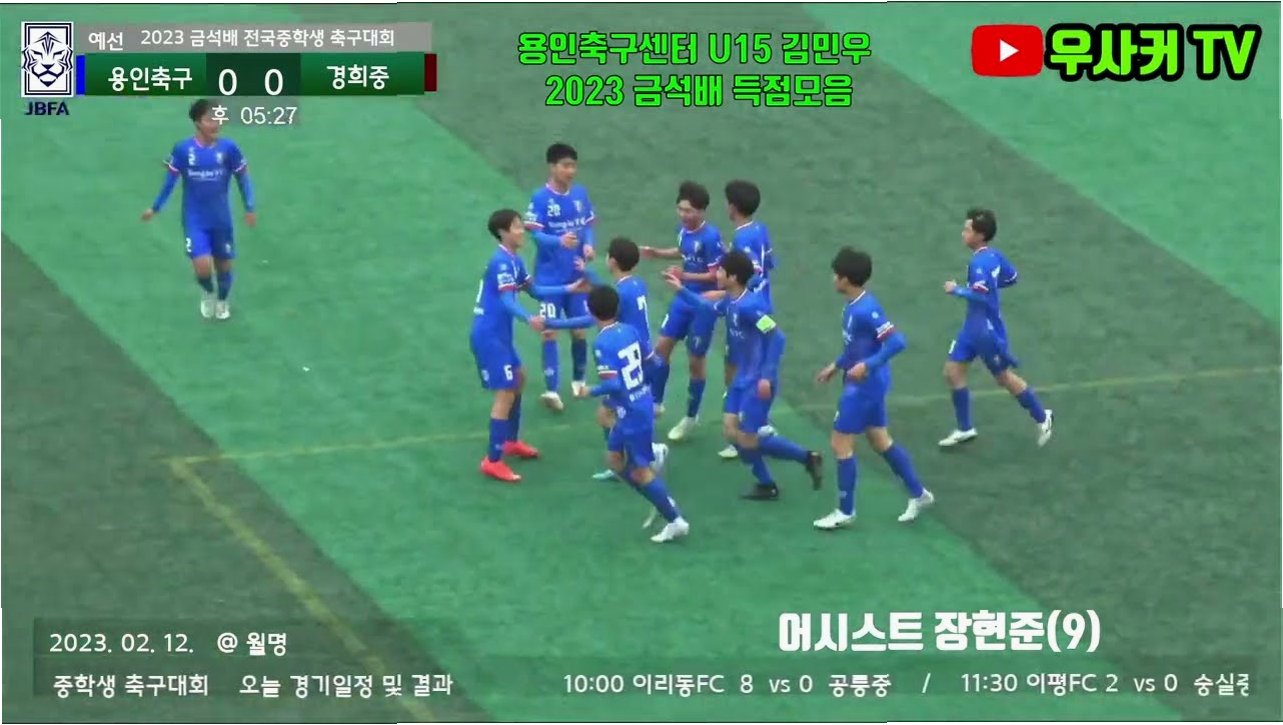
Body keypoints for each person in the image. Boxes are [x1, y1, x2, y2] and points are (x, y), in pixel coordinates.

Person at [664, 250, 823, 500]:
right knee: (730, 431)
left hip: (757, 381)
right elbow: (707, 306)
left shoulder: (750, 307)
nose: (716, 274)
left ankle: (802, 461)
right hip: (741, 379)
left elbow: (777, 337)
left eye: (720, 271)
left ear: (733, 277)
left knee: (748, 439)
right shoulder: (731, 300)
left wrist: (766, 376)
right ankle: (772, 479)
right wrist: (680, 290)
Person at [813, 247, 934, 530]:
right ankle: (919, 494)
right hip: (866, 382)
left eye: (835, 275)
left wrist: (868, 365)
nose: (832, 279)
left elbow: (897, 342)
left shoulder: (866, 309)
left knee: (840, 442)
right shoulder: (852, 306)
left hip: (865, 387)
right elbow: (856, 346)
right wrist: (837, 365)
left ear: (845, 279)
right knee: (880, 440)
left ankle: (845, 511)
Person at [470, 209, 586, 483]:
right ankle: (492, 460)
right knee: (506, 392)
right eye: (517, 227)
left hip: (500, 335)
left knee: (519, 378)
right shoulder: (501, 263)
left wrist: (569, 289)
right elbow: (507, 300)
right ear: (503, 233)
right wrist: (528, 318)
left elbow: (535, 290)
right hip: (489, 336)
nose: (522, 231)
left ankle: (510, 441)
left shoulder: (514, 260)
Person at [575, 286, 690, 544]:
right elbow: (654, 362)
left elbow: (614, 384)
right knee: (614, 459)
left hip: (631, 413)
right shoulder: (630, 330)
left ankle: (674, 519)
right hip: (638, 404)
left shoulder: (602, 343)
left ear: (591, 312)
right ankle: (659, 492)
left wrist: (590, 391)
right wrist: (643, 389)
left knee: (640, 473)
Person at [937, 209, 1054, 449]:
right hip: (971, 327)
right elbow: (1012, 278)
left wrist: (956, 290)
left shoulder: (978, 263)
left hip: (986, 332)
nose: (963, 233)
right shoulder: (994, 256)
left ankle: (1043, 417)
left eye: (967, 230)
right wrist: (990, 286)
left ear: (980, 236)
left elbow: (981, 296)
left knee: (1003, 377)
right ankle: (965, 428)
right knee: (952, 371)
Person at [142, 98, 255, 320]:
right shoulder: (184, 149)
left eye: (218, 118)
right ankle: (208, 292)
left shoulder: (229, 148)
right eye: (209, 119)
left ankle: (222, 301)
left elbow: (243, 177)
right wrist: (155, 208)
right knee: (202, 266)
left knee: (224, 267)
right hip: (195, 218)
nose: (216, 123)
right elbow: (170, 181)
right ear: (197, 122)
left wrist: (249, 206)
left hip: (221, 219)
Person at [639, 181, 724, 442]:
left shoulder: (711, 237)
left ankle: (690, 416)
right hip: (682, 298)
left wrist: (683, 274)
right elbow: (682, 251)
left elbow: (716, 275)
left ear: (702, 211)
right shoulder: (684, 230)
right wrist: (657, 253)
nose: (683, 215)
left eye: (688, 211)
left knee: (695, 362)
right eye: (680, 209)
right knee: (661, 348)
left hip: (702, 304)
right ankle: (656, 403)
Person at [525, 143, 597, 411]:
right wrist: (558, 241)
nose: (571, 171)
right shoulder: (540, 198)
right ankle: (551, 390)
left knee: (579, 330)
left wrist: (589, 245)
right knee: (550, 331)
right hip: (549, 280)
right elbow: (535, 235)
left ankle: (579, 380)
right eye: (566, 166)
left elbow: (587, 226)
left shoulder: (580, 194)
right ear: (552, 167)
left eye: (573, 166)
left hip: (577, 277)